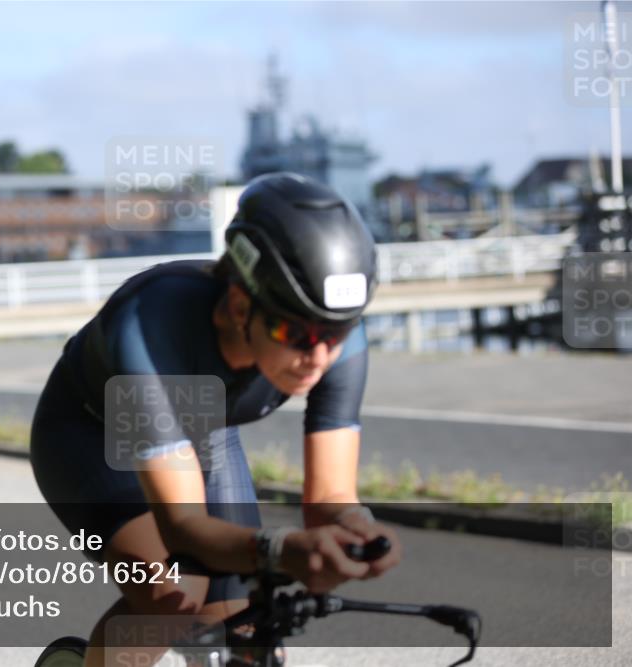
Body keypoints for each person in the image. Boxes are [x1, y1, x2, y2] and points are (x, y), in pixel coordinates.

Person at [30, 172, 402, 666]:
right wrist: (279, 550)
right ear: (238, 303)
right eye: (293, 331)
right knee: (175, 596)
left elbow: (330, 498)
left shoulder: (335, 342)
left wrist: (359, 529)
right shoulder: (151, 321)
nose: (317, 355)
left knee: (243, 620)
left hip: (203, 431)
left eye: (335, 333)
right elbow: (182, 526)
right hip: (87, 436)